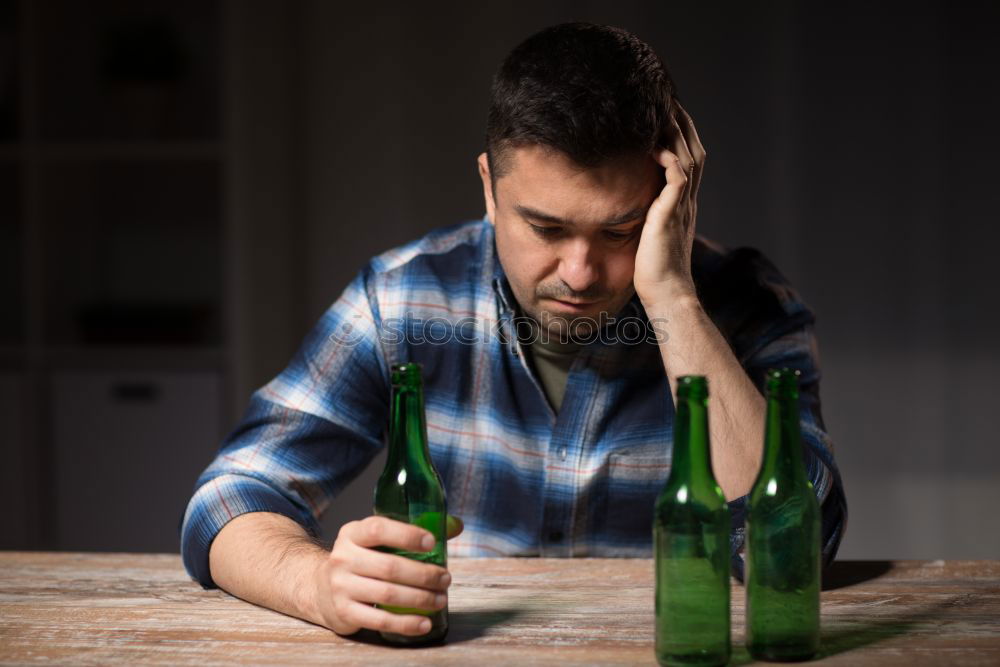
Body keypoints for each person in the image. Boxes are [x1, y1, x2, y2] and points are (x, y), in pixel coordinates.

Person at [180, 22, 847, 639]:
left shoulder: (750, 306)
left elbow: (793, 550)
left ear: (672, 201)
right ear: (489, 190)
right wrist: (318, 583)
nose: (580, 272)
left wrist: (672, 295)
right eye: (547, 229)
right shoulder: (404, 297)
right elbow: (231, 495)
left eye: (620, 230)